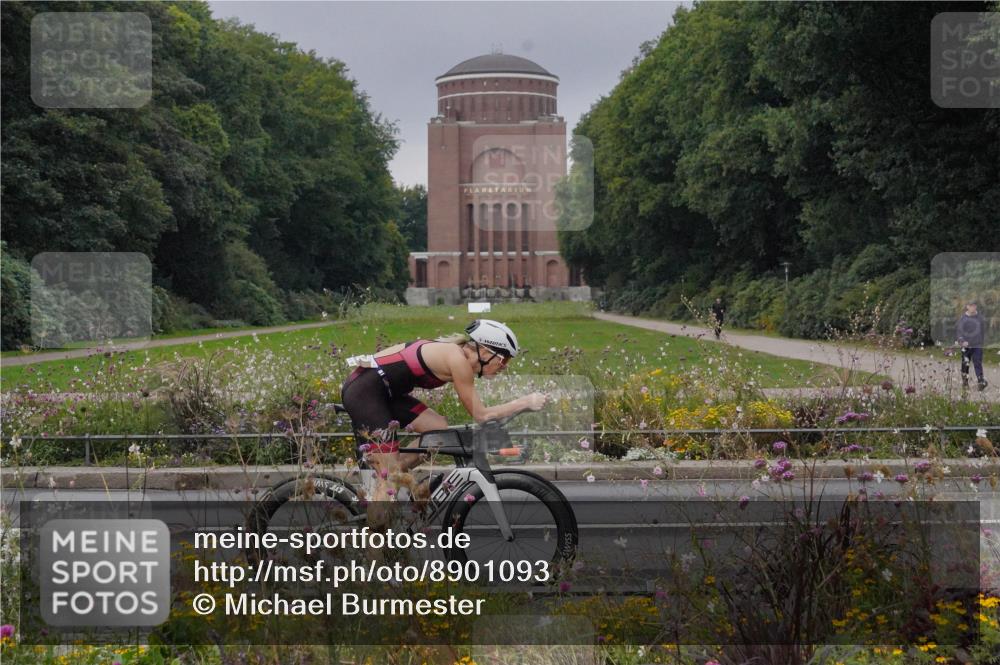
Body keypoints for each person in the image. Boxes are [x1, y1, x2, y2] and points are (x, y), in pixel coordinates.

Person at [340, 319, 548, 502]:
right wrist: (525, 402)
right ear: (484, 351)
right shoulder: (457, 360)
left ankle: (396, 475)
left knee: (438, 431)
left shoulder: (457, 356)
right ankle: (372, 543)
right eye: (504, 360)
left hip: (383, 392)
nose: (504, 368)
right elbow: (481, 415)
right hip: (365, 392)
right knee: (389, 479)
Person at [956, 301, 988, 391]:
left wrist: (981, 342)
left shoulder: (980, 318)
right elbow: (959, 332)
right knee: (965, 364)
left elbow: (982, 331)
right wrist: (962, 341)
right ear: (967, 307)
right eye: (971, 306)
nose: (973, 307)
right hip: (966, 346)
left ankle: (981, 381)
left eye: (974, 305)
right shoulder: (963, 319)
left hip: (977, 345)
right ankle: (965, 382)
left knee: (978, 362)